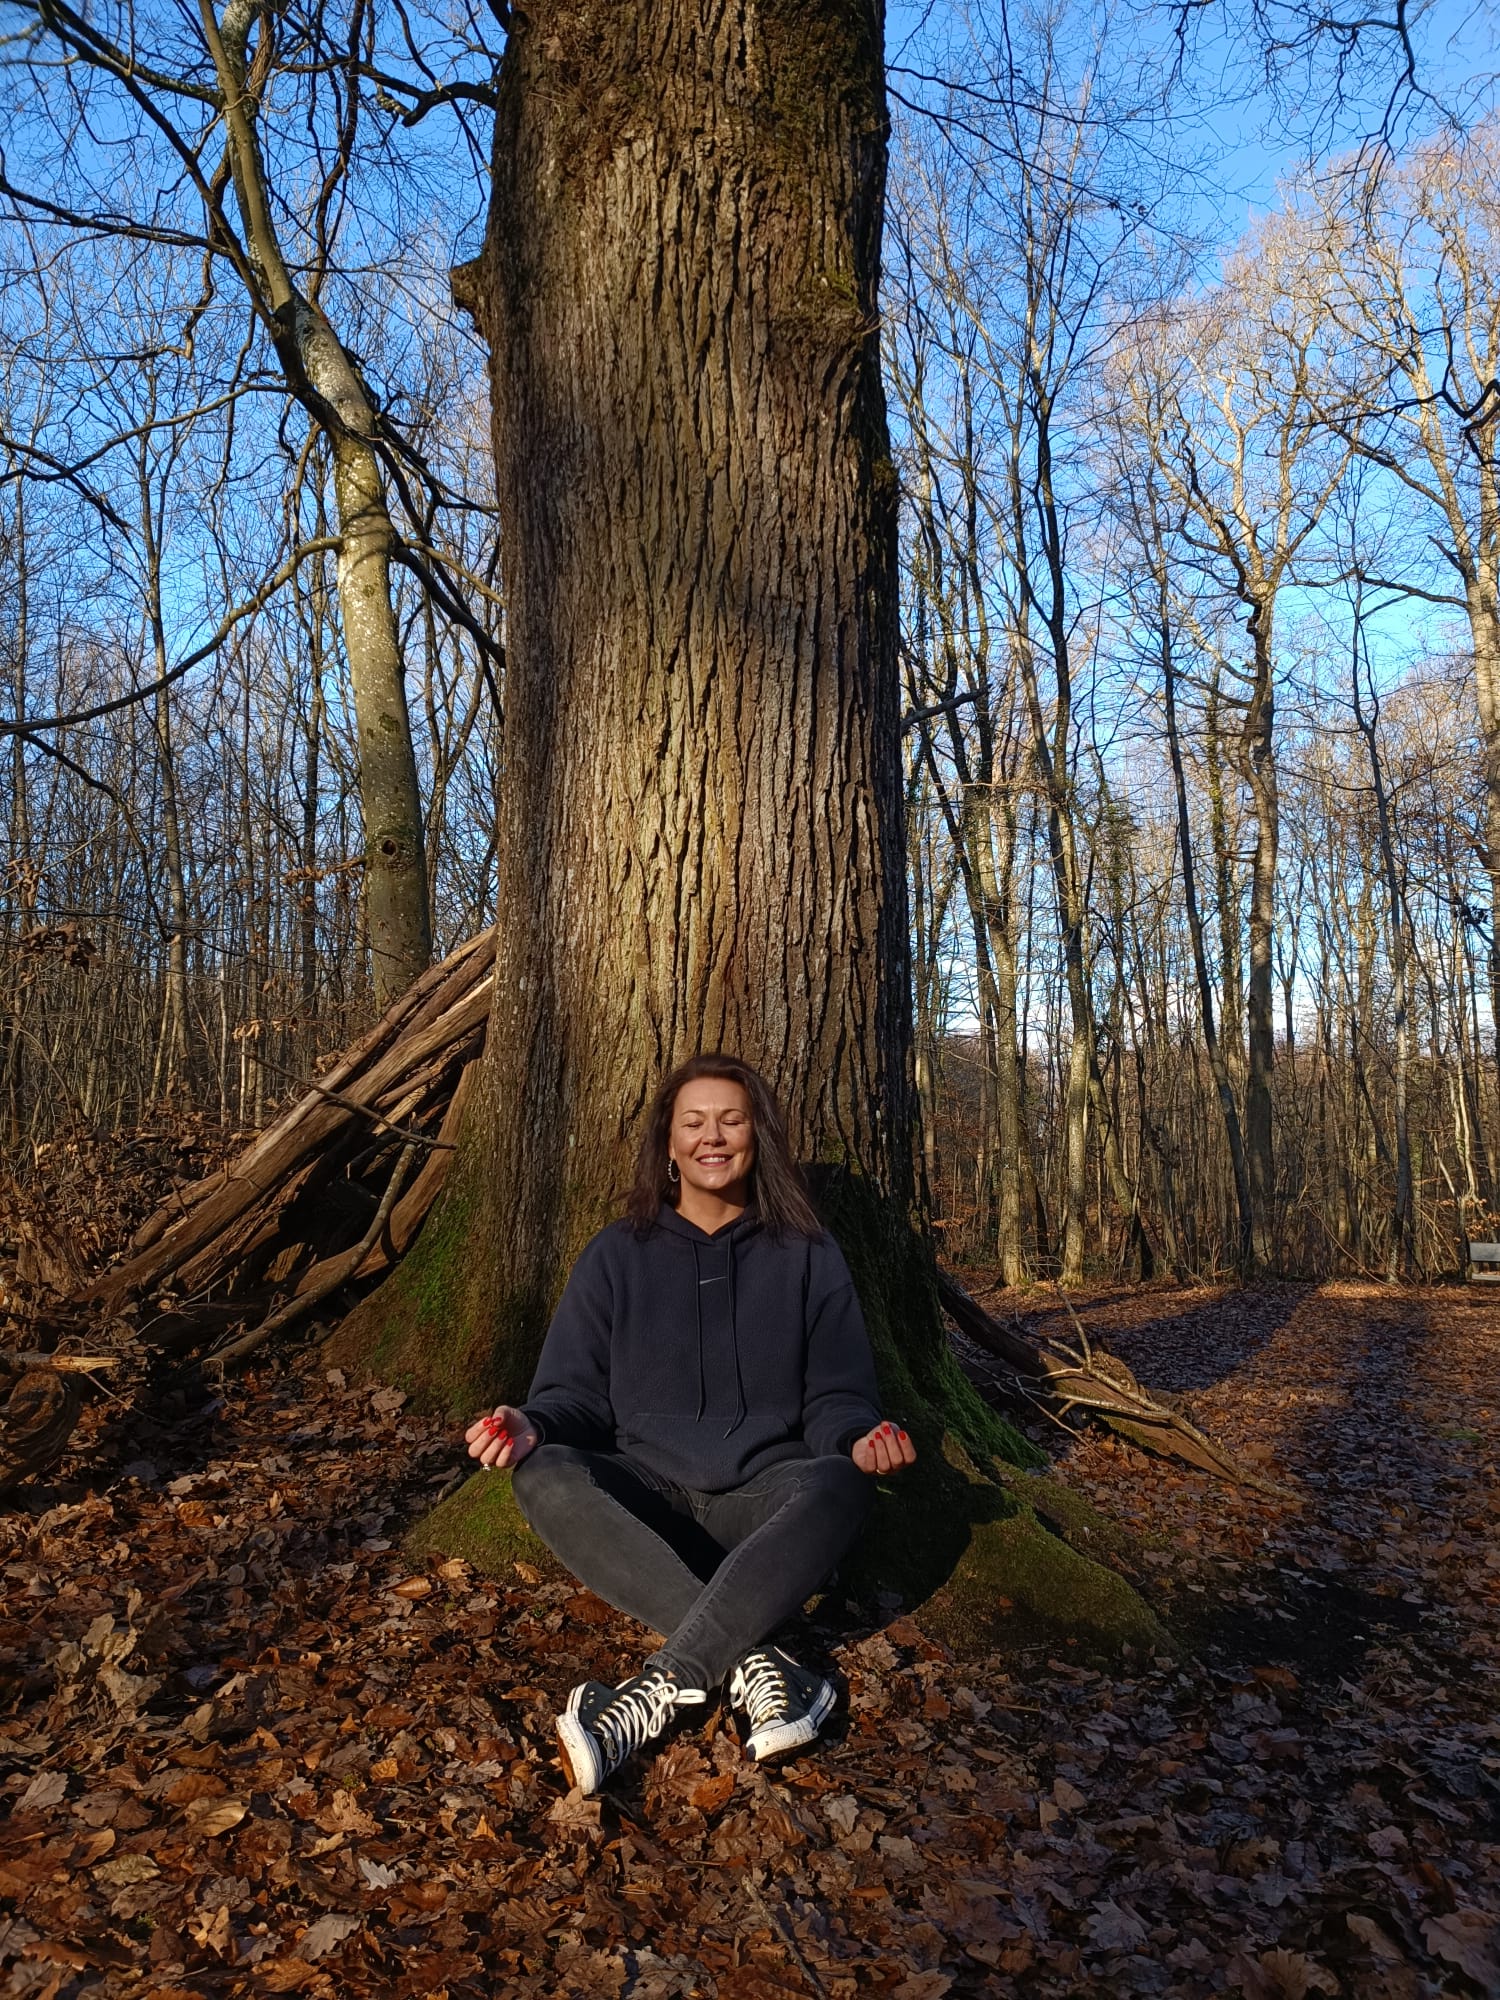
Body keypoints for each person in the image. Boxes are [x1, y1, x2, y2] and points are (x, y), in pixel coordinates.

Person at [463, 1052, 917, 1794]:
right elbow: (573, 1395)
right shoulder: (616, 1254)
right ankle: (754, 1662)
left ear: (757, 1136)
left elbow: (839, 1394)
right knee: (542, 1473)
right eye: (694, 1122)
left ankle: (652, 1691)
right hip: (646, 1506)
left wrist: (858, 1439)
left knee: (840, 1484)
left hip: (762, 1505)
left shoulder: (807, 1253)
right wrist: (531, 1421)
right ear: (668, 1144)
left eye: (732, 1120)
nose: (714, 1137)